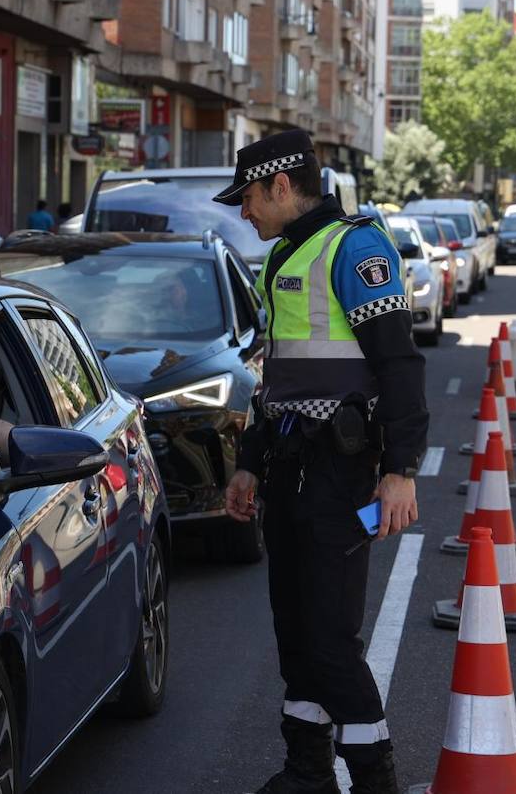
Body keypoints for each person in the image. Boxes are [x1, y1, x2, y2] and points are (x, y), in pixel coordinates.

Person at [213, 130, 427, 794]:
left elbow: (398, 361)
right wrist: (248, 461)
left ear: (280, 185)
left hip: (339, 474)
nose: (243, 211)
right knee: (297, 631)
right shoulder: (286, 257)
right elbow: (271, 376)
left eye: (248, 196)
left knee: (331, 637)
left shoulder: (355, 246)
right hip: (288, 468)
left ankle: (374, 778)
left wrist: (402, 468)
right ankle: (308, 769)